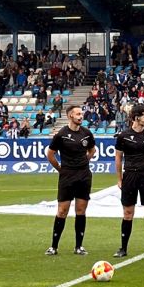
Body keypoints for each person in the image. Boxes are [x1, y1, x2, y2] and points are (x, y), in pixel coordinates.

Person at [45, 103, 96, 257]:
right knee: (62, 211)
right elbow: (50, 154)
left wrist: (84, 162)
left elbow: (92, 150)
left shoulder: (87, 133)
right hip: (67, 176)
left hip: (84, 175)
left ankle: (79, 246)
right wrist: (60, 169)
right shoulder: (61, 134)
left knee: (81, 210)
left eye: (81, 114)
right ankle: (54, 247)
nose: (81, 116)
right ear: (70, 116)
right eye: (78, 114)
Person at [113, 102, 144, 259]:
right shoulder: (123, 136)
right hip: (130, 177)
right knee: (128, 213)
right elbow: (118, 158)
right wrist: (120, 179)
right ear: (136, 118)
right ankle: (123, 248)